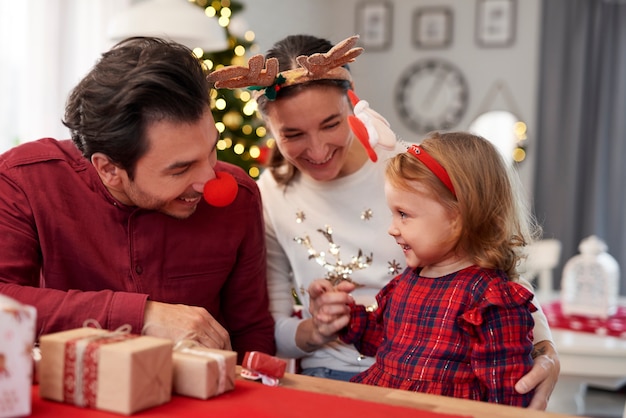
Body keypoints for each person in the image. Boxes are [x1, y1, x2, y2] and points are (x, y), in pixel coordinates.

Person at [208, 34, 559, 408]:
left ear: (352, 99)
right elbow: (270, 329)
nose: (317, 149)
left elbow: (495, 271)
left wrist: (546, 350)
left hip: (441, 377)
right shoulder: (270, 194)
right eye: (292, 135)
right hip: (333, 374)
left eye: (330, 124)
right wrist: (320, 327)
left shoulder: (412, 168)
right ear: (270, 129)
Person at [0, 37, 275, 363]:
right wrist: (141, 315)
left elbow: (253, 333)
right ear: (109, 169)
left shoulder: (239, 197)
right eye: (181, 168)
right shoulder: (25, 180)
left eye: (211, 149)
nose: (210, 180)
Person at [309, 132, 538, 406]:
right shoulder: (409, 280)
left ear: (460, 216)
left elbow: (506, 398)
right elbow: (387, 342)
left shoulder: (490, 302)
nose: (392, 229)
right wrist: (346, 316)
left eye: (403, 214)